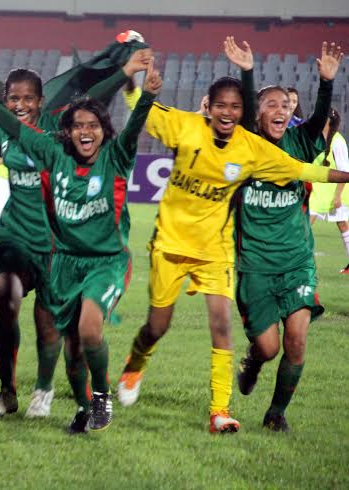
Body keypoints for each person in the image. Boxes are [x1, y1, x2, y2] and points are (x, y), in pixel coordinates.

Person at [117, 60, 349, 433]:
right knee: (158, 326)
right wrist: (131, 76)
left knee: (225, 325)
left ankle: (222, 411)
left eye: (235, 106)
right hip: (176, 245)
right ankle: (136, 362)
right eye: (220, 105)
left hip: (225, 252)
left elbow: (305, 170)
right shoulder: (188, 127)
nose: (227, 112)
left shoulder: (257, 149)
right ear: (207, 106)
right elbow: (138, 107)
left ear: (243, 113)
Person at [0, 46, 152, 418]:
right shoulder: (3, 124)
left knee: (54, 328)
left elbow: (96, 100)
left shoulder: (60, 134)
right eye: (13, 98)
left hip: (58, 245)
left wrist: (126, 75)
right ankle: (7, 392)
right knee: (6, 299)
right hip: (16, 236)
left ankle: (45, 389)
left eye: (28, 98)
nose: (20, 104)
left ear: (42, 101)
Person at [224, 38, 341, 431]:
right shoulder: (245, 145)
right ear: (256, 114)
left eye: (285, 106)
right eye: (270, 104)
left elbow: (320, 117)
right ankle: (254, 360)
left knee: (296, 339)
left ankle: (276, 414)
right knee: (269, 347)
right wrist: (247, 72)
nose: (280, 110)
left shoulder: (299, 143)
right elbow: (240, 112)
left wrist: (325, 82)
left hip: (296, 263)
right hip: (255, 267)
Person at [309, 109, 349, 274]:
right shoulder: (315, 138)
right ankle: (300, 263)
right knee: (304, 224)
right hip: (318, 190)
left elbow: (345, 170)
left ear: (329, 122)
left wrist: (338, 196)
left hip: (335, 189)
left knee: (342, 225)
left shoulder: (338, 141)